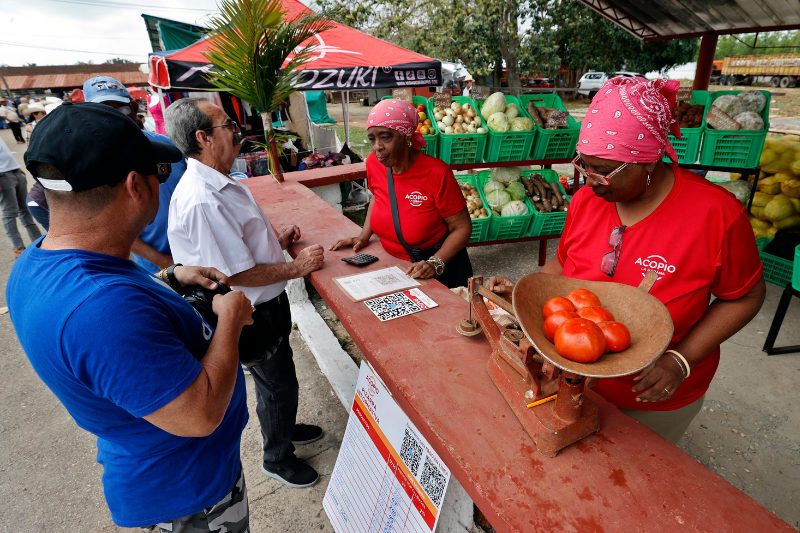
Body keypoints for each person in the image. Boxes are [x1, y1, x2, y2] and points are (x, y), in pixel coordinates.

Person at [6, 102, 255, 531]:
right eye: (160, 174)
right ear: (136, 186)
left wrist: (170, 277)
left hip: (173, 478)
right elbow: (199, 415)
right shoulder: (102, 311)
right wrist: (230, 318)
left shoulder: (38, 262)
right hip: (187, 499)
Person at [489, 77, 765, 443]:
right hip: (572, 377)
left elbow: (745, 296)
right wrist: (532, 313)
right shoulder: (588, 201)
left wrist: (681, 360)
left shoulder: (716, 214)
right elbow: (560, 266)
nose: (591, 180)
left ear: (648, 161)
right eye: (584, 165)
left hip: (650, 395)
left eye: (604, 169)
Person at [165, 97, 326, 488]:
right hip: (250, 312)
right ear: (203, 137)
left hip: (265, 304)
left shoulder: (222, 181)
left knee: (279, 379)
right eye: (226, 126)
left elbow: (240, 244)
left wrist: (275, 241)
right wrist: (295, 267)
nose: (236, 131)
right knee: (276, 383)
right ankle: (277, 456)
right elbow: (235, 272)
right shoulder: (204, 198)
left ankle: (283, 427)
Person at [330, 98, 473, 288]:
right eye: (372, 138)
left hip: (435, 269)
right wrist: (363, 236)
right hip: (395, 268)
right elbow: (378, 197)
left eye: (385, 136)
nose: (377, 146)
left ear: (406, 136)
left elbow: (462, 228)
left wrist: (435, 263)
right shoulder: (374, 163)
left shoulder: (436, 173)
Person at [83, 75, 185, 271]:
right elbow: (112, 228)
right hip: (161, 265)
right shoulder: (93, 165)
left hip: (198, 249)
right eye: (104, 111)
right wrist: (163, 262)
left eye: (119, 108)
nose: (113, 118)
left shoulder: (166, 145)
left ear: (133, 108)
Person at [0, 136, 42, 256]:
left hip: (14, 171)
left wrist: (16, 167)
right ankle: (19, 247)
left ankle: (37, 240)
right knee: (9, 213)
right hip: (2, 176)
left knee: (25, 209)